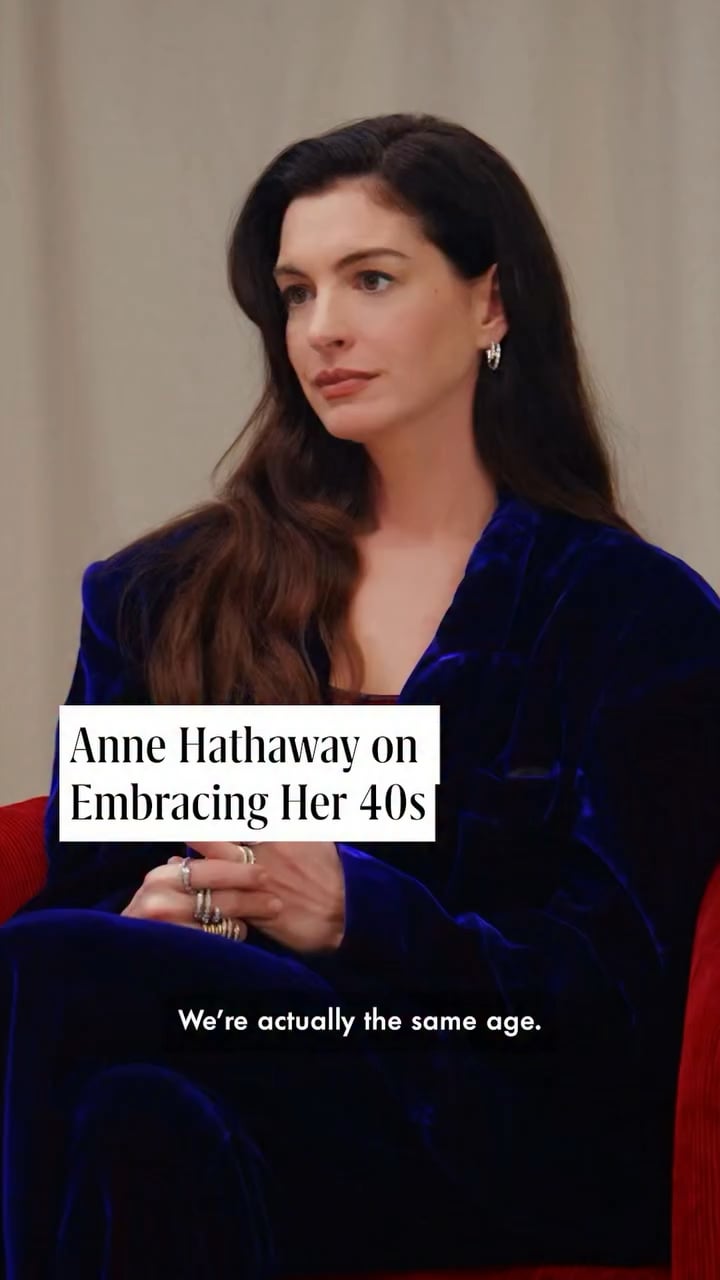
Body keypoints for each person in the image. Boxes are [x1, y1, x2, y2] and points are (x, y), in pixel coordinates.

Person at [2, 110, 720, 1278]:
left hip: (492, 1115)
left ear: (492, 304)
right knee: (136, 1109)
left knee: (50, 976)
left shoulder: (631, 615)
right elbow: (81, 900)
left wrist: (358, 913)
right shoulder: (160, 593)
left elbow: (616, 993)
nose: (321, 328)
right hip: (219, 1069)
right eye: (296, 293)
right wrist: (147, 917)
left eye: (370, 279)